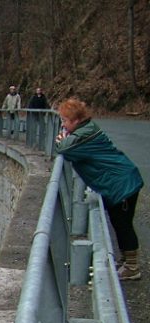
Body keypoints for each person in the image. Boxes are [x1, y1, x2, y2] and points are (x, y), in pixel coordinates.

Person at [56, 97, 144, 280]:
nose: (63, 125)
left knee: (123, 224)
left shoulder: (83, 135)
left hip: (121, 183)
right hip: (119, 181)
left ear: (77, 121)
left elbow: (63, 148)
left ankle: (133, 266)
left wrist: (62, 139)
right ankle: (126, 260)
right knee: (118, 221)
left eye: (65, 121)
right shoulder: (86, 129)